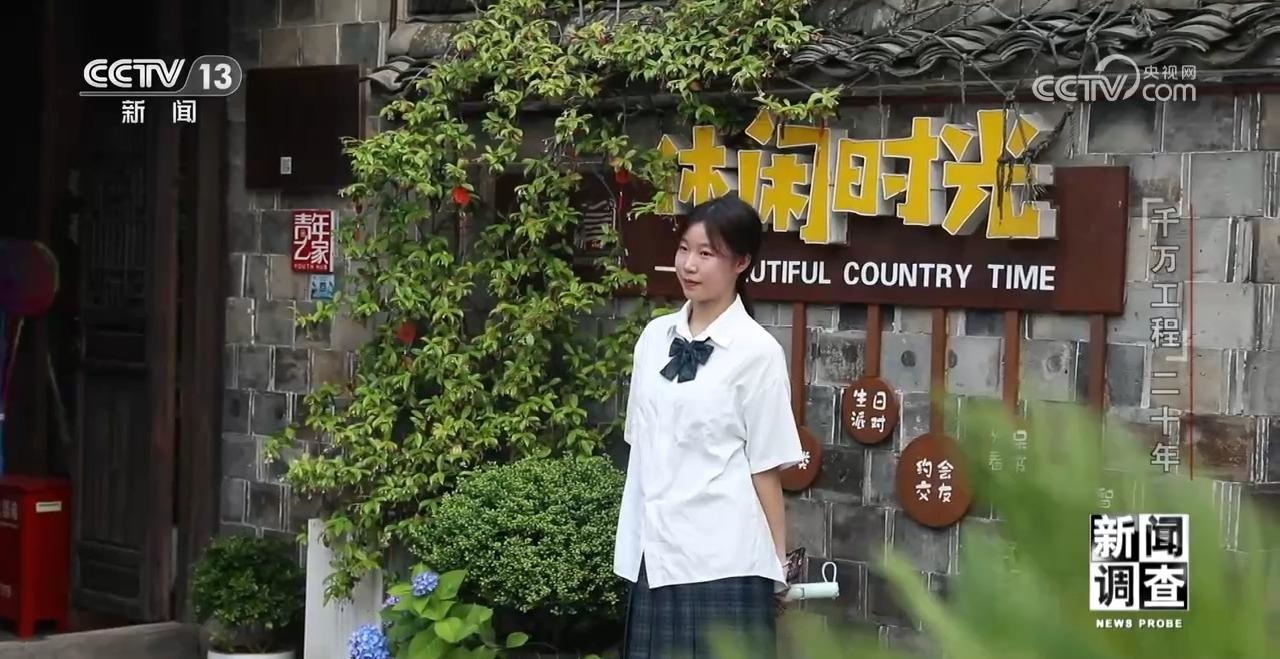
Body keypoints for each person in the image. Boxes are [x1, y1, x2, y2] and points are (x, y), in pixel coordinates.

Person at [613, 193, 806, 659]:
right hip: (654, 553)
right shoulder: (653, 338)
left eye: (706, 253)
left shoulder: (757, 352)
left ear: (741, 263)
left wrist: (777, 564)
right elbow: (641, 446)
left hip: (724, 559)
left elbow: (765, 467)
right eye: (684, 249)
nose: (689, 265)